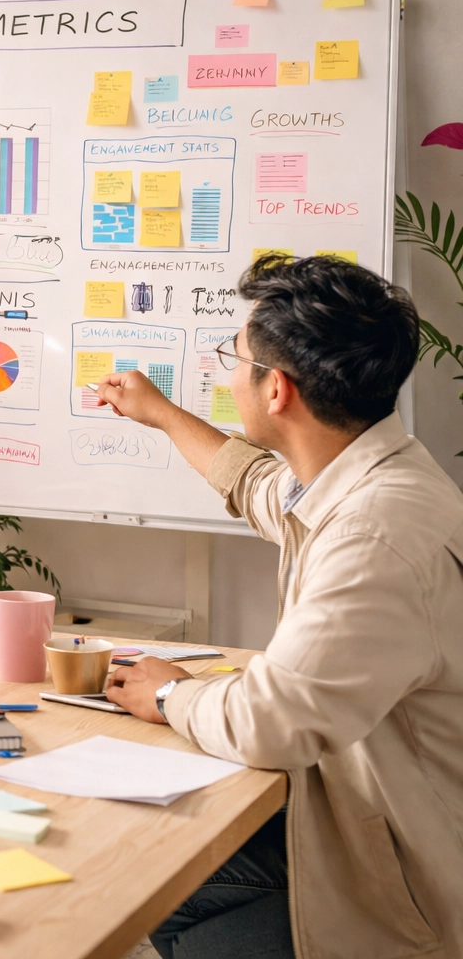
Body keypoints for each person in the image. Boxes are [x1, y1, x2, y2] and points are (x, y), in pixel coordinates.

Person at [95, 255, 462, 959]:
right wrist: (162, 414)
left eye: (235, 358)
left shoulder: (374, 536)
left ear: (277, 391)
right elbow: (262, 488)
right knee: (162, 865)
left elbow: (271, 722)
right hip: (356, 810)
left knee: (146, 870)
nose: (229, 372)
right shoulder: (373, 472)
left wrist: (172, 691)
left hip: (399, 870)